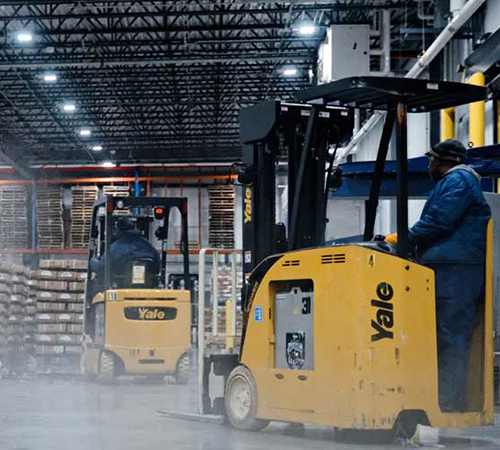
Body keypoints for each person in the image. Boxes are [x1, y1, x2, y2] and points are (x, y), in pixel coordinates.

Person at [386, 139, 491, 411]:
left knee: (451, 336)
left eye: (431, 159)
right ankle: (439, 398)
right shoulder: (452, 183)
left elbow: (438, 222)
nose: (429, 164)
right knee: (440, 336)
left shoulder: (459, 182)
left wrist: (402, 238)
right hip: (445, 268)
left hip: (455, 271)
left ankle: (449, 403)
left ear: (444, 161)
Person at [90, 218, 160, 292]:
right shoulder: (149, 247)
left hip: (121, 287)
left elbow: (102, 268)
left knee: (98, 282)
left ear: (119, 230)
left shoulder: (116, 248)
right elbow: (157, 267)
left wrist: (93, 261)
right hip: (148, 287)